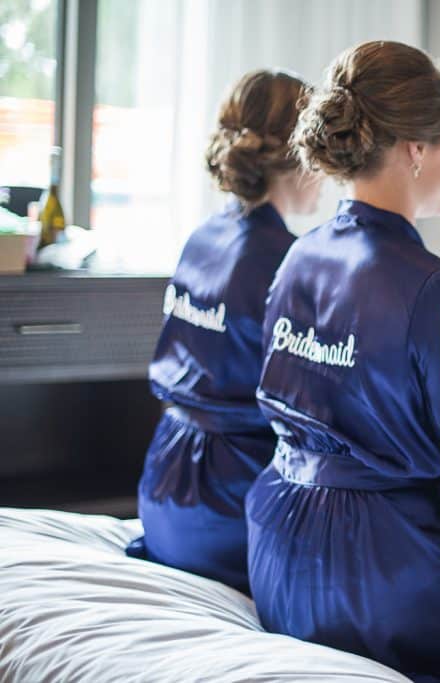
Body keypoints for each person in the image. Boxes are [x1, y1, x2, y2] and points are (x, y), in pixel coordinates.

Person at [245, 41, 440, 682]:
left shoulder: (297, 255)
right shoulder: (436, 289)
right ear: (416, 150)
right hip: (380, 577)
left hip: (275, 547)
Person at [130, 69, 320, 593]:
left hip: (163, 484)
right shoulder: (285, 261)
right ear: (301, 152)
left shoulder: (204, 235)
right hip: (226, 503)